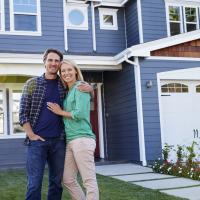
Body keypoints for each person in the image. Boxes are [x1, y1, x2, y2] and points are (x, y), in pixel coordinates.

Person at [19, 49, 93, 200]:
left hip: (59, 141)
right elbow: (22, 113)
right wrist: (31, 135)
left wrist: (90, 89)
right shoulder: (32, 84)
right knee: (34, 183)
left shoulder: (64, 85)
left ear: (59, 63)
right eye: (50, 60)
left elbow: (79, 91)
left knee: (56, 182)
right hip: (37, 142)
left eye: (56, 61)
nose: (53, 63)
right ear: (44, 62)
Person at [47, 59, 99, 200]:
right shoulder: (69, 91)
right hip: (70, 140)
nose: (66, 73)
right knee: (68, 179)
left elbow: (80, 113)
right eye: (63, 71)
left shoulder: (80, 87)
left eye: (69, 69)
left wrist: (60, 112)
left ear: (76, 71)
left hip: (82, 139)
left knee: (88, 180)